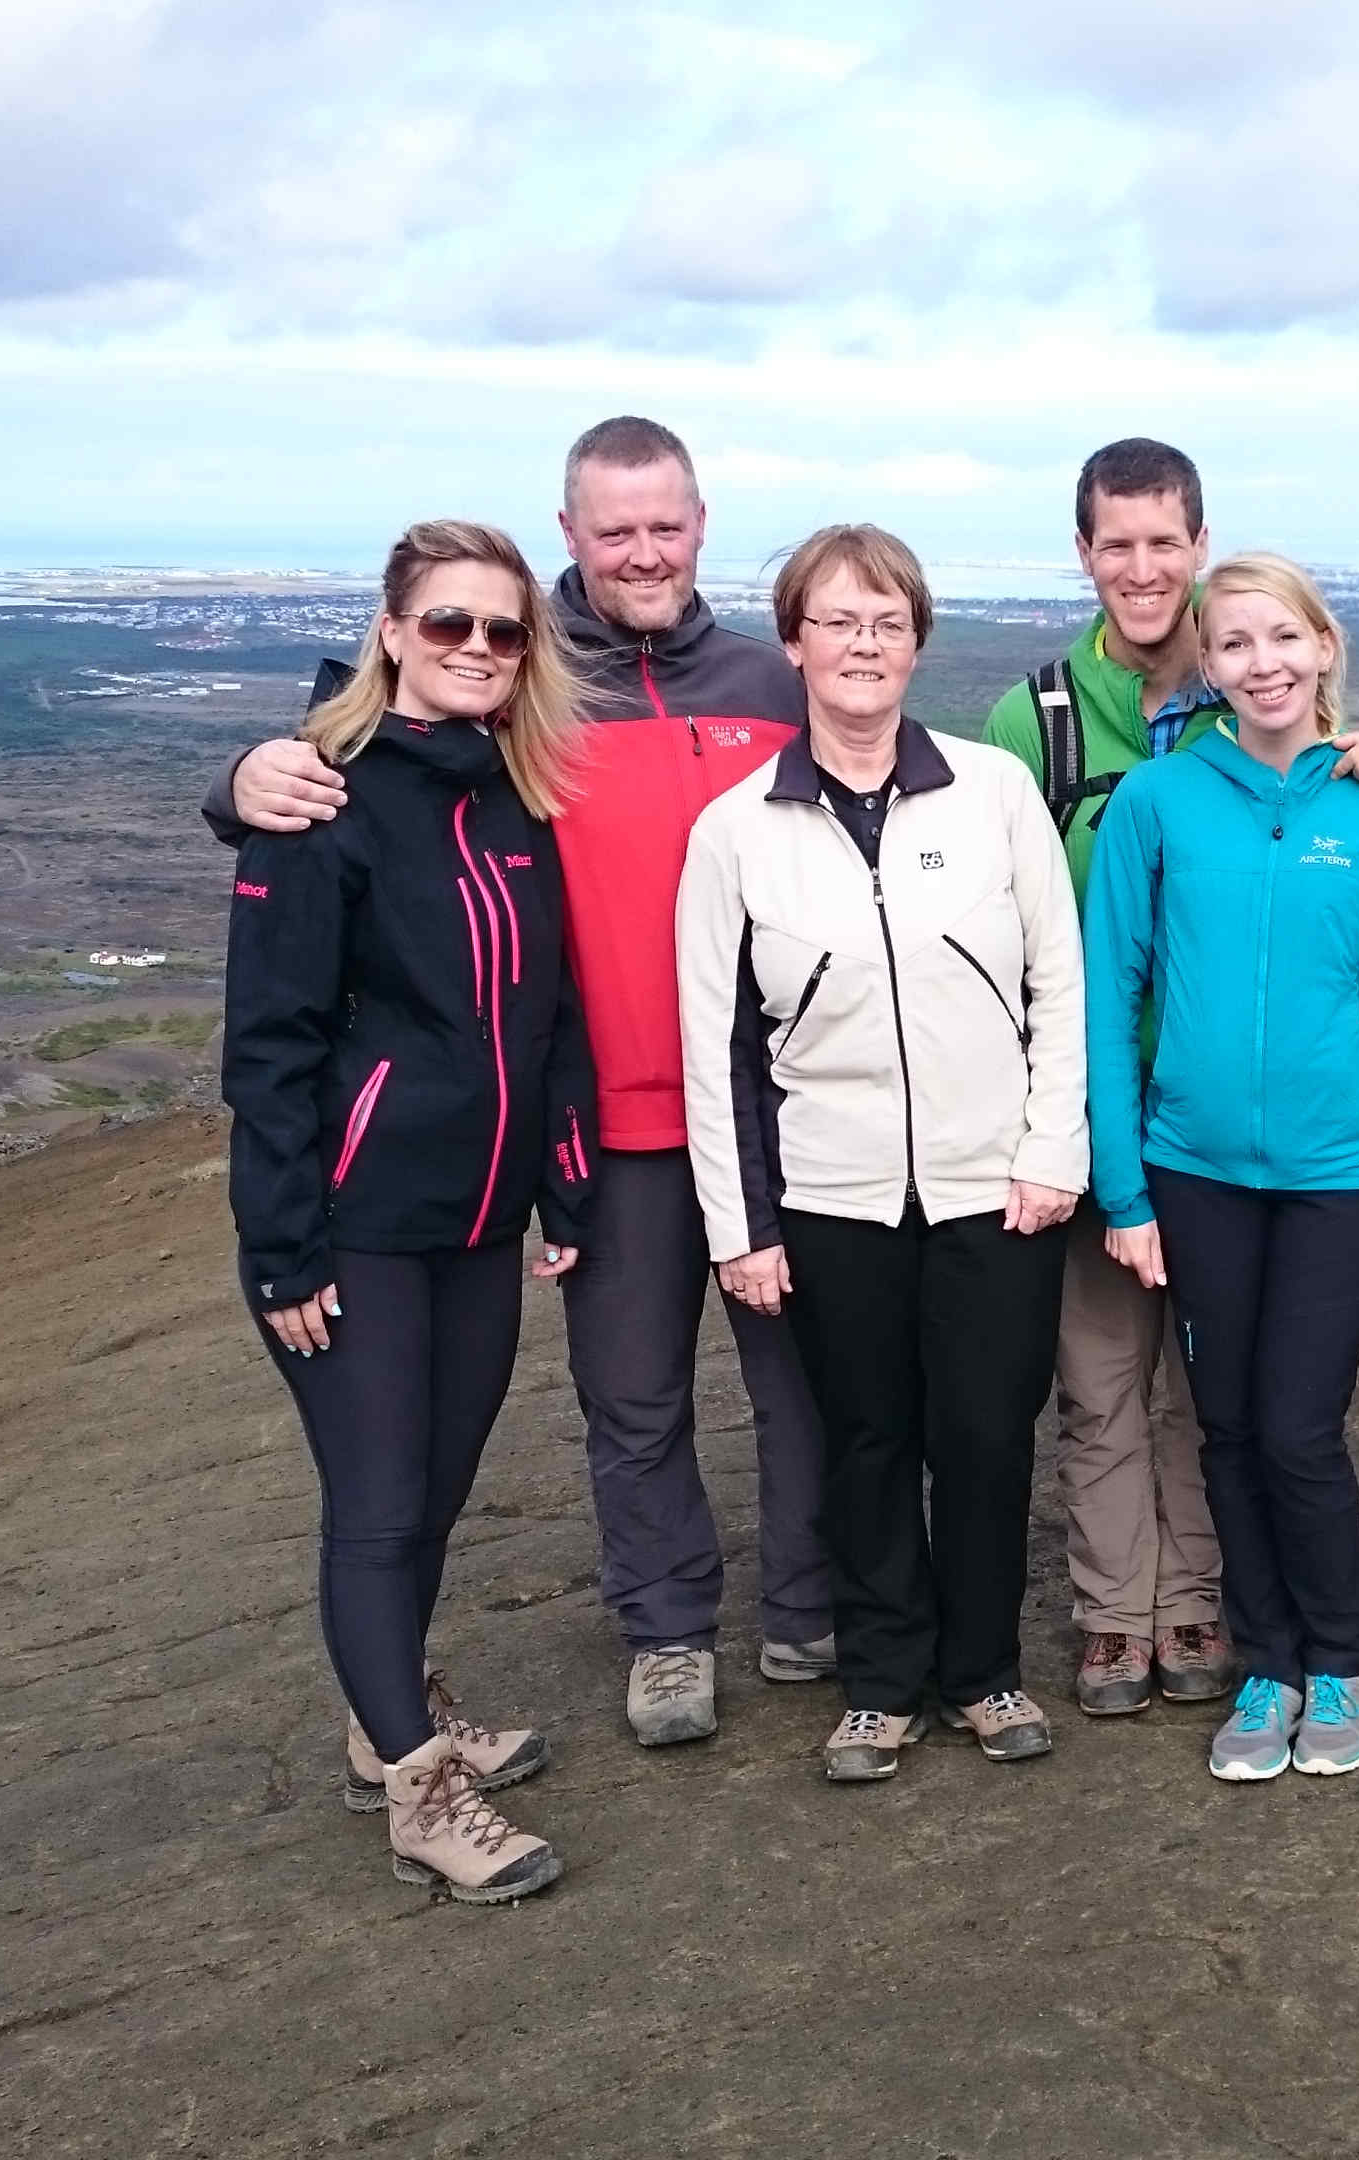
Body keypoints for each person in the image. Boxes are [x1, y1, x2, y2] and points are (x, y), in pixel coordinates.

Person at [215, 418, 829, 1750]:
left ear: (702, 522)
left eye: (665, 525)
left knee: (805, 1382)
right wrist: (245, 778)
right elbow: (381, 764)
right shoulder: (532, 684)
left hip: (773, 1105)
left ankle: (808, 1605)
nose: (644, 551)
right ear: (572, 537)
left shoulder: (764, 681)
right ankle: (668, 1632)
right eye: (615, 530)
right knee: (633, 1395)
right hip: (604, 1115)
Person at [979, 438, 1359, 1719]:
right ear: (1083, 553)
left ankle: (1207, 1611)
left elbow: (1329, 809)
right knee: (1107, 1375)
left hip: (1269, 1120)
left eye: (1163, 541)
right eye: (1115, 544)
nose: (1141, 567)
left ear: (1198, 545)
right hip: (1113, 1103)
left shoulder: (1259, 688)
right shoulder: (1036, 717)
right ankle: (1118, 1615)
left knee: (1222, 1396)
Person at [675, 523, 1088, 1784]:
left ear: (917, 643)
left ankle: (984, 1673)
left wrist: (1051, 1149)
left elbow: (1057, 985)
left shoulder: (992, 791)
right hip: (832, 1196)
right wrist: (739, 1228)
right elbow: (716, 1045)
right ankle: (881, 1681)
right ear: (793, 641)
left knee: (986, 1434)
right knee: (863, 1441)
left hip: (995, 1188)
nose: (863, 643)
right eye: (838, 620)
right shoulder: (734, 829)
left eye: (888, 621)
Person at [223, 519, 592, 1903]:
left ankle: (396, 1712)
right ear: (391, 633)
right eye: (449, 625)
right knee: (377, 1504)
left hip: (479, 1219)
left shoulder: (514, 796)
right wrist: (282, 1248)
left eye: (503, 630)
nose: (480, 651)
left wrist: (560, 1178)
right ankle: (417, 1788)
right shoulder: (326, 798)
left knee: (434, 1490)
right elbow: (265, 1043)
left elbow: (542, 1018)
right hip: (354, 1227)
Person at [1082, 553, 1359, 1782]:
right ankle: (1267, 1669)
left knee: (1300, 1429)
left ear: (1323, 645)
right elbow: (1110, 995)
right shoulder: (1156, 801)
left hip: (1343, 1175)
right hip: (1193, 1169)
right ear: (1208, 666)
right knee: (1231, 1429)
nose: (1263, 665)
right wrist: (1124, 1185)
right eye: (1235, 645)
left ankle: (1340, 1663)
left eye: (1282, 638)